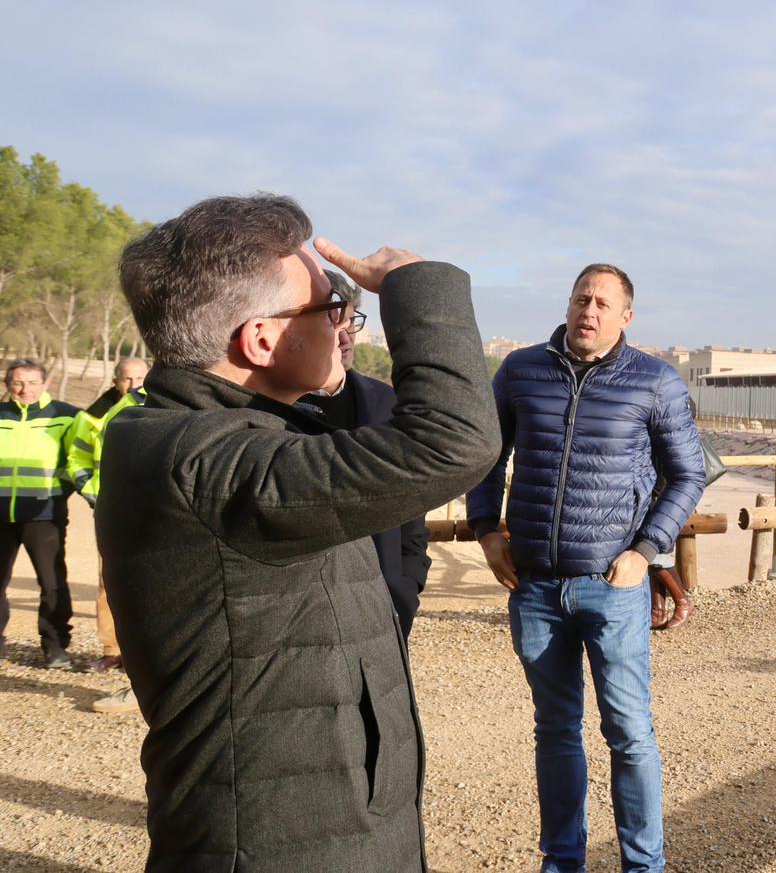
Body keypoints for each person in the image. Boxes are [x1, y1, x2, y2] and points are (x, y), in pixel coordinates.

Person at [98, 193, 498, 873]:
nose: (343, 322)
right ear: (261, 340)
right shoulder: (207, 461)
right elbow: (455, 441)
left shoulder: (213, 435)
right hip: (277, 843)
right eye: (329, 307)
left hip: (314, 821)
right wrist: (417, 286)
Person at [468, 262, 705, 873]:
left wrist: (645, 551)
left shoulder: (655, 381)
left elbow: (688, 474)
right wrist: (485, 529)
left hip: (612, 586)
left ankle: (643, 866)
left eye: (602, 303)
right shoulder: (521, 370)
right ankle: (562, 861)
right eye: (581, 299)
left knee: (628, 731)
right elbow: (487, 454)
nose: (588, 311)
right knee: (555, 729)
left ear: (626, 316)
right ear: (568, 304)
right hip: (536, 586)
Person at [300, 270, 432, 641]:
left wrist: (405, 588)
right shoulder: (262, 408)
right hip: (303, 622)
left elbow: (412, 510)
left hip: (384, 611)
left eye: (351, 322)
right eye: (333, 323)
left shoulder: (389, 402)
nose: (345, 338)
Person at [67, 355, 149, 682]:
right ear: (115, 380)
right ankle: (111, 649)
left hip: (152, 509)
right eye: (127, 378)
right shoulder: (93, 415)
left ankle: (146, 654)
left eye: (139, 378)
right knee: (109, 581)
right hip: (111, 510)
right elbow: (77, 458)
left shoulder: (160, 406)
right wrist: (94, 494)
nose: (133, 385)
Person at [0, 358, 81, 668]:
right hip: (0, 515)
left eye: (33, 383)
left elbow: (81, 458)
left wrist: (60, 493)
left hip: (44, 515)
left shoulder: (67, 416)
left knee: (52, 583)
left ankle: (55, 646)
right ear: (7, 384)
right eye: (18, 383)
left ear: (46, 384)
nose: (25, 390)